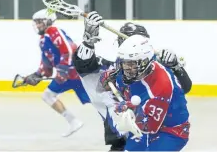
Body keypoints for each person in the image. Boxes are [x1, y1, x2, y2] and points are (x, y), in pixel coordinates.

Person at [72, 11, 192, 151]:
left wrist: (175, 66)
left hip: (158, 128)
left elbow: (184, 88)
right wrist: (88, 41)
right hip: (129, 131)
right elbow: (84, 66)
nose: (128, 66)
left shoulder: (159, 74)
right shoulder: (120, 64)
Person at [101, 34, 190, 151]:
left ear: (145, 62)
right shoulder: (133, 69)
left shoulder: (162, 84)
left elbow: (149, 126)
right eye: (125, 63)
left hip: (171, 131)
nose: (127, 69)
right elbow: (112, 80)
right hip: (145, 122)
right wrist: (108, 79)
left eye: (132, 64)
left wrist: (131, 108)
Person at [24, 9, 90, 137]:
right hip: (68, 77)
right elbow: (46, 64)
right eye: (36, 23)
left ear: (48, 21)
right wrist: (37, 75)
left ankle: (126, 119)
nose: (37, 25)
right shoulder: (43, 40)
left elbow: (69, 50)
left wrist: (63, 70)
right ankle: (73, 121)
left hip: (76, 74)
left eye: (39, 22)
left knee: (98, 100)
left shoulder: (53, 31)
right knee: (48, 95)